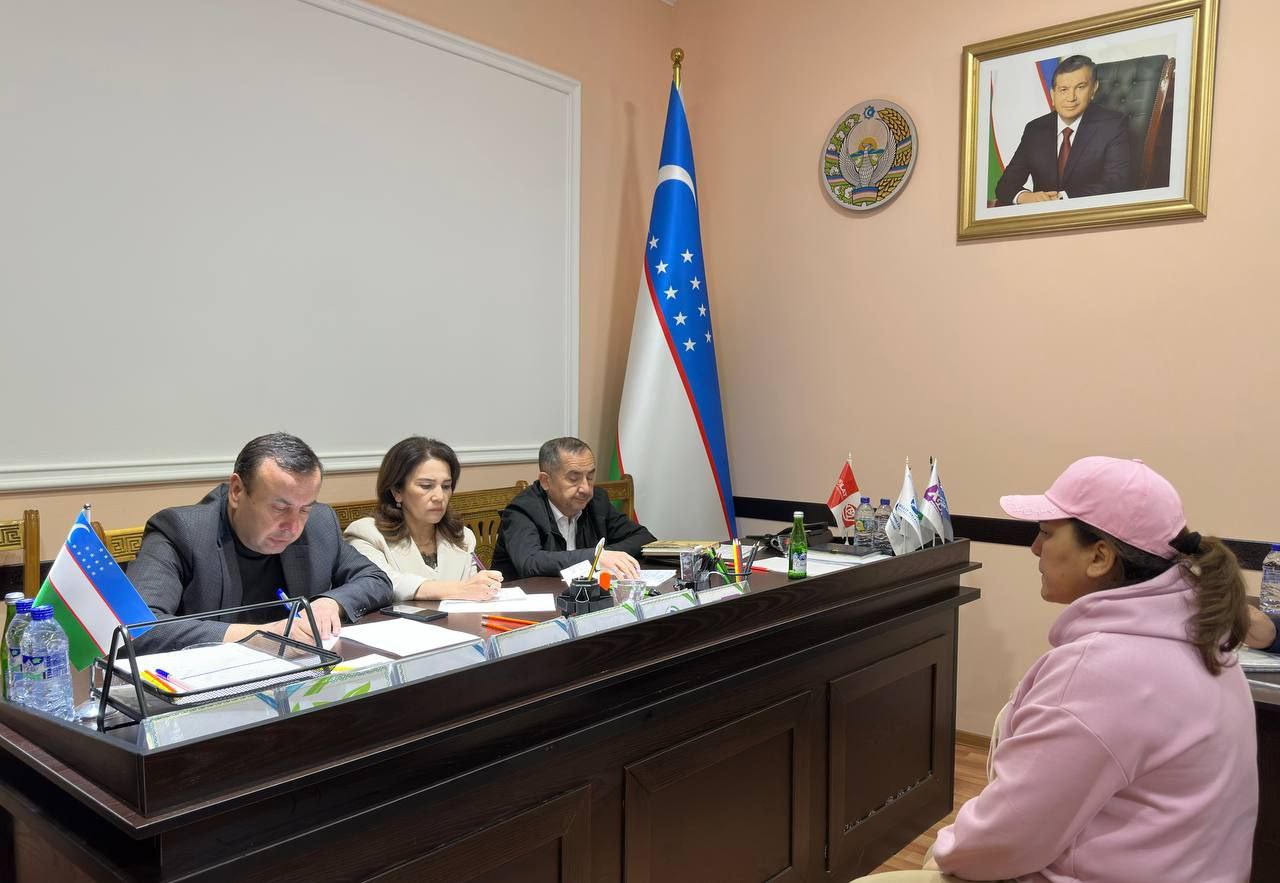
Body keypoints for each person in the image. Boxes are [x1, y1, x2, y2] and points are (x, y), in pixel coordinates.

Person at [854, 456, 1257, 883]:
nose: (1035, 548)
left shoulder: (1102, 672)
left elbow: (1002, 840)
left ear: (1099, 556)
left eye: (1046, 533)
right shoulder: (1208, 638)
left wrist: (943, 851)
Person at [129, 433, 392, 651]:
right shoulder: (181, 531)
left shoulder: (318, 524)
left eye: (304, 509)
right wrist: (260, 635)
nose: (293, 527)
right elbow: (138, 627)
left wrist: (329, 603)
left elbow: (375, 579)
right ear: (237, 491)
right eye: (280, 507)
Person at [344, 436, 504, 601]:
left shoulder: (462, 537)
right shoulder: (367, 534)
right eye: (426, 486)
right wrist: (460, 589)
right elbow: (381, 584)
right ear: (396, 491)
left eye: (446, 486)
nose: (439, 496)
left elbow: (472, 595)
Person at [490, 437, 656, 579]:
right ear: (546, 481)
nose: (586, 488)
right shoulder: (522, 510)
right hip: (526, 602)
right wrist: (596, 557)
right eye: (574, 479)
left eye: (590, 477)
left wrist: (606, 555)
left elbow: (644, 538)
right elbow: (530, 562)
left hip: (579, 597)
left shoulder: (596, 501)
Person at [994, 55, 1132, 206]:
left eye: (1080, 87)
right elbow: (1005, 185)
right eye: (1063, 89)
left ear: (1093, 89)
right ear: (1053, 94)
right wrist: (1025, 197)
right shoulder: (1035, 129)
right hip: (1043, 217)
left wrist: (1063, 198)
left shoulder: (1113, 125)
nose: (1071, 98)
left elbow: (1118, 182)